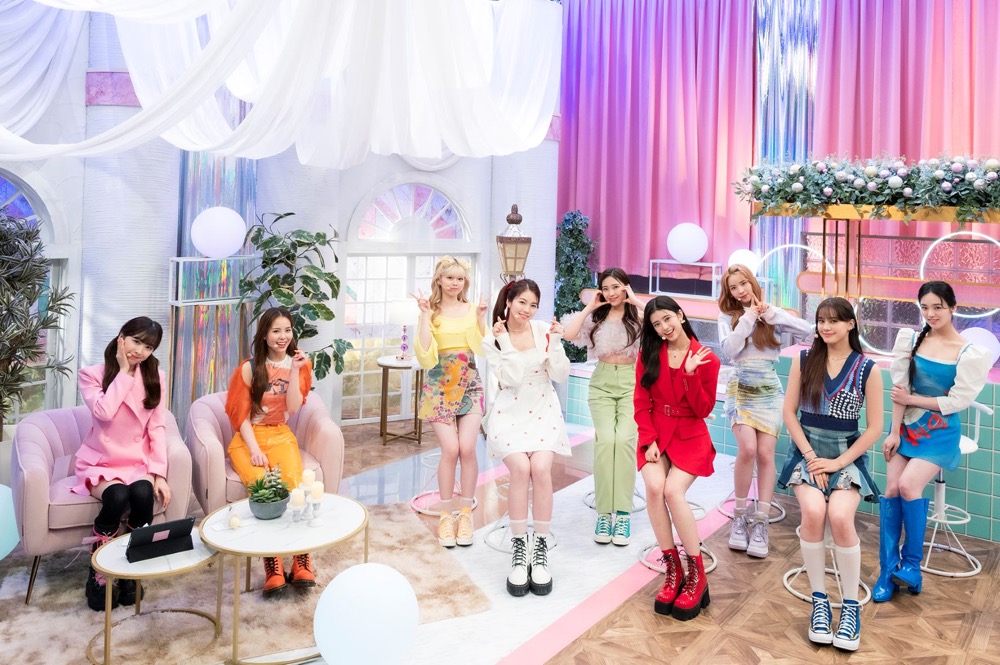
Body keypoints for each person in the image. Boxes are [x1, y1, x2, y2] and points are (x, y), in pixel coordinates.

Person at [778, 296, 883, 652]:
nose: (825, 327)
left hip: (845, 458)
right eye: (821, 320)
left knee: (839, 517)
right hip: (807, 454)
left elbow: (874, 429)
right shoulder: (804, 360)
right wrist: (810, 457)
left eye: (834, 320)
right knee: (812, 511)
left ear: (851, 324)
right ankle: (819, 602)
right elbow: (789, 413)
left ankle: (850, 606)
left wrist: (837, 464)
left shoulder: (868, 369)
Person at [875, 281, 990, 603]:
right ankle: (887, 570)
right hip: (907, 427)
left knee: (908, 485)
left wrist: (913, 399)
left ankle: (912, 567)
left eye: (938, 307)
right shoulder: (911, 340)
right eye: (925, 307)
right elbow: (900, 391)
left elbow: (956, 402)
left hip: (940, 432)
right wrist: (893, 431)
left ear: (953, 308)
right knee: (891, 490)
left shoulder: (968, 351)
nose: (931, 313)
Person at [74, 317, 172, 611]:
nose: (140, 351)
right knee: (116, 496)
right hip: (101, 461)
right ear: (121, 338)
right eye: (136, 341)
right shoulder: (92, 374)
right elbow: (104, 413)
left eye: (148, 347)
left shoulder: (156, 377)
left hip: (136, 462)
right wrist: (124, 371)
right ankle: (99, 571)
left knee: (142, 494)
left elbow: (157, 427)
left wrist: (159, 473)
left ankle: (131, 566)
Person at [482, 279, 571, 597]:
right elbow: (512, 378)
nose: (528, 310)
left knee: (541, 469)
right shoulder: (492, 339)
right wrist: (505, 342)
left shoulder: (543, 330)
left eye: (533, 305)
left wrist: (556, 343)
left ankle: (540, 547)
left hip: (543, 409)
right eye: (522, 302)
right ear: (508, 301)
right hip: (509, 413)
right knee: (520, 469)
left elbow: (560, 374)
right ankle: (520, 550)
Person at [717, 264, 813, 558]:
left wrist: (773, 315)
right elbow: (729, 350)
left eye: (743, 283)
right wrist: (748, 317)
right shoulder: (727, 316)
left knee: (766, 453)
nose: (740, 291)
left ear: (753, 282)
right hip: (741, 385)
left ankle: (761, 522)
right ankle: (739, 518)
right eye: (733, 287)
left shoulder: (772, 314)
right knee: (747, 449)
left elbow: (810, 331)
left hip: (769, 388)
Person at [634, 296, 720, 621]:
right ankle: (673, 569)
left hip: (690, 435)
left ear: (680, 315)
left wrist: (689, 374)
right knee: (655, 488)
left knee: (673, 491)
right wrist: (648, 440)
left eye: (667, 319)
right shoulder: (649, 353)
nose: (664, 328)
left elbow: (703, 409)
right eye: (656, 324)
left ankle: (696, 573)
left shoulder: (707, 359)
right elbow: (641, 401)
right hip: (655, 433)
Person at [226, 306, 315, 598]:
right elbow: (240, 415)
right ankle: (273, 566)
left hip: (280, 433)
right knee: (263, 491)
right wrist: (254, 450)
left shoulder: (300, 364)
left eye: (287, 330)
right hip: (248, 437)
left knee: (294, 487)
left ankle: (302, 559)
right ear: (264, 335)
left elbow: (292, 408)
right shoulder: (249, 368)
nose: (282, 336)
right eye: (276, 331)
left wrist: (295, 370)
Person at [563, 268, 643, 546]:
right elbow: (569, 334)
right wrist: (589, 307)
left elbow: (663, 321)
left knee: (624, 441)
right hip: (602, 384)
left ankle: (623, 514)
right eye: (606, 288)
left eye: (616, 287)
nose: (611, 293)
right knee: (606, 441)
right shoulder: (596, 317)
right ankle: (604, 513)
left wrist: (635, 300)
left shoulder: (638, 317)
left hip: (632, 384)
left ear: (626, 287)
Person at [413, 256, 489, 548]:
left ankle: (465, 514)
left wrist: (480, 318)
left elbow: (483, 347)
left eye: (460, 279)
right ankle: (446, 515)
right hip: (439, 384)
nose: (455, 283)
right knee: (451, 449)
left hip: (469, 382)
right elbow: (424, 355)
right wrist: (423, 316)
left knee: (467, 448)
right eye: (450, 278)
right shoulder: (430, 312)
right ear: (439, 280)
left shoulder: (471, 310)